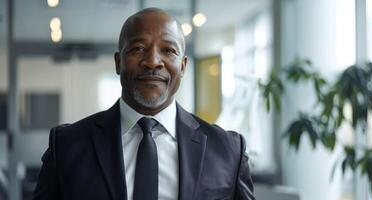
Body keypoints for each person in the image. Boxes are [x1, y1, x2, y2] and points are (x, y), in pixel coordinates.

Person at [33, 7, 255, 200]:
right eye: (138, 48)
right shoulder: (67, 146)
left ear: (184, 66)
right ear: (118, 63)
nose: (152, 62)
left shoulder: (227, 150)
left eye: (168, 50)